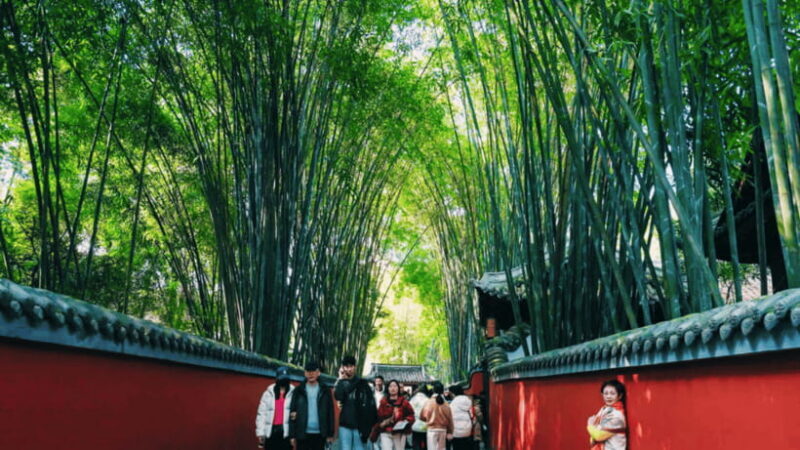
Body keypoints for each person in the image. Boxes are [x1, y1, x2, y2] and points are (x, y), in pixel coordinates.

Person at [289, 361, 335, 450]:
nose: (311, 374)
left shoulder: (325, 390)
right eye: (308, 371)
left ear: (318, 373)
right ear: (305, 373)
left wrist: (330, 434)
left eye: (313, 371)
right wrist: (292, 435)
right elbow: (292, 412)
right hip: (302, 433)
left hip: (320, 434)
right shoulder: (298, 390)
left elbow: (330, 412)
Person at [335, 355, 378, 450]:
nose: (349, 369)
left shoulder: (363, 384)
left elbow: (371, 405)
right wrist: (340, 379)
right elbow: (338, 396)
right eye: (346, 366)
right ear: (343, 368)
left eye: (351, 366)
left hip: (360, 426)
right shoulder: (341, 382)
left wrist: (370, 426)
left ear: (355, 367)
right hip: (345, 424)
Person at [256, 366, 295, 449]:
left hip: (286, 433)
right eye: (281, 379)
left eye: (285, 379)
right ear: (277, 379)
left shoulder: (294, 394)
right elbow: (261, 414)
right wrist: (261, 432)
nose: (283, 381)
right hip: (271, 432)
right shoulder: (268, 394)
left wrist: (294, 435)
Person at [587, 380, 627, 450]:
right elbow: (593, 436)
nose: (608, 396)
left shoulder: (616, 415)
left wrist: (590, 425)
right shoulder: (604, 409)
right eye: (606, 393)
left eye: (612, 393)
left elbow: (598, 436)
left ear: (620, 396)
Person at [376, 380, 415, 450]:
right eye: (390, 386)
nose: (393, 388)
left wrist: (405, 421)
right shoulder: (383, 402)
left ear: (398, 388)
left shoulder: (404, 402)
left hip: (399, 433)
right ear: (387, 388)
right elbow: (378, 417)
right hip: (386, 432)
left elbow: (411, 415)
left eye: (395, 386)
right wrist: (384, 422)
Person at [420, 382, 453, 450]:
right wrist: (450, 432)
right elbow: (450, 419)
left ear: (433, 390)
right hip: (443, 430)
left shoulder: (428, 402)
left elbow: (422, 417)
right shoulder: (446, 404)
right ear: (442, 391)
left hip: (432, 430)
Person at [448, 385, 473, 450]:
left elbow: (450, 418)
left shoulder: (453, 404)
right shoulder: (468, 401)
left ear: (453, 393)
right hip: (468, 430)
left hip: (456, 432)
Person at [409, 385, 430, 450]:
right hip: (425, 426)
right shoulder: (428, 400)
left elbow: (409, 411)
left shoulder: (413, 399)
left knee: (416, 443)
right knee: (426, 444)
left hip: (414, 425)